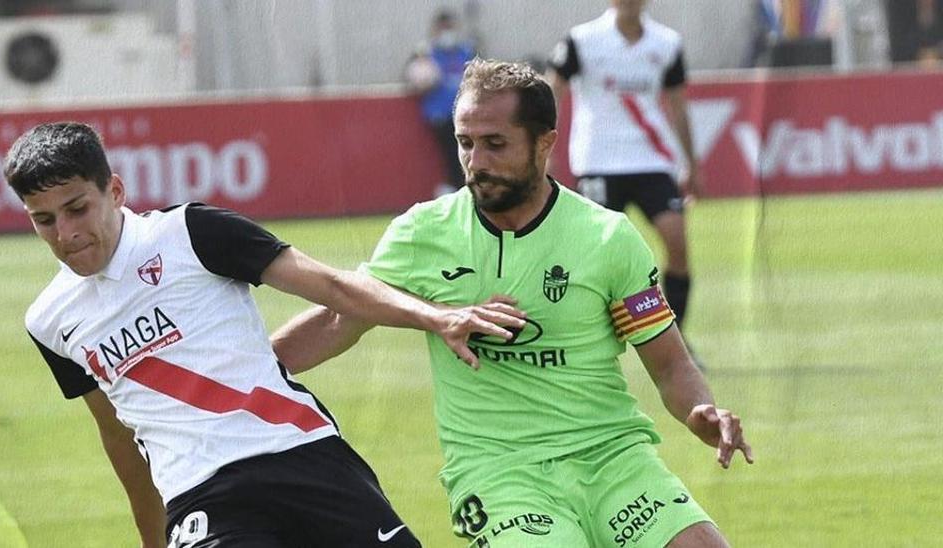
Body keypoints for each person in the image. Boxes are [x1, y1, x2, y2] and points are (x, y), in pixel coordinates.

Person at [272, 59, 753, 547]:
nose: (476, 162)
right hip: (500, 474)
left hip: (613, 459)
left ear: (545, 142)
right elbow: (338, 319)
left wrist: (700, 410)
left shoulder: (607, 238)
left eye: (495, 144)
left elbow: (670, 365)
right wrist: (224, 375)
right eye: (466, 143)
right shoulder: (423, 234)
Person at [4, 121, 522, 547]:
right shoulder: (49, 320)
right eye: (43, 220)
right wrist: (152, 538)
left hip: (304, 454)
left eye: (77, 209)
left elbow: (332, 287)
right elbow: (117, 434)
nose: (65, 234)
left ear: (115, 191)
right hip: (201, 496)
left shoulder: (191, 233)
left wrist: (439, 317)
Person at [546, 0, 703, 360]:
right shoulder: (581, 40)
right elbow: (552, 89)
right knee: (591, 255)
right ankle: (584, 339)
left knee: (677, 243)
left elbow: (677, 104)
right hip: (598, 161)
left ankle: (676, 343)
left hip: (651, 159)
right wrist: (544, 145)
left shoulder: (666, 43)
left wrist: (692, 163)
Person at [406, 9, 478, 197]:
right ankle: (453, 191)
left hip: (465, 114)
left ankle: (457, 190)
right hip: (440, 115)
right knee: (454, 155)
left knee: (464, 155)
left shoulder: (466, 51)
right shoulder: (426, 53)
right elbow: (414, 79)